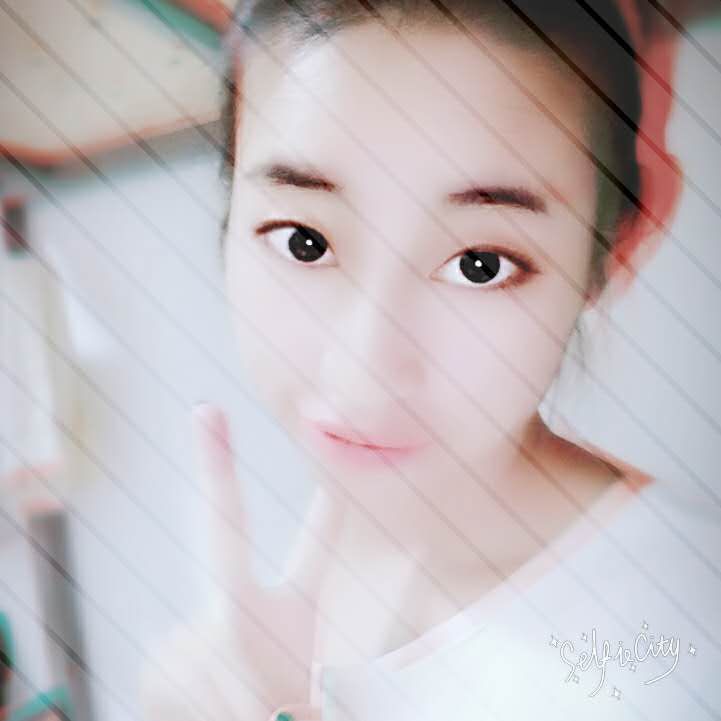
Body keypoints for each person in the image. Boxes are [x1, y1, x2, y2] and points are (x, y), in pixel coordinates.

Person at [139, 1, 720, 719]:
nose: (363, 373)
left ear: (613, 251)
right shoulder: (272, 601)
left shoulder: (688, 635)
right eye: (303, 241)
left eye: (481, 264)